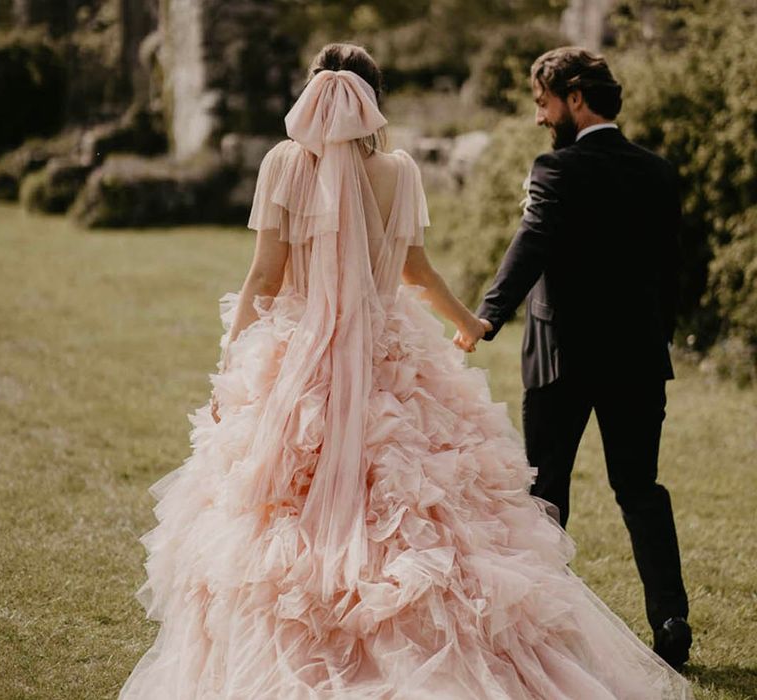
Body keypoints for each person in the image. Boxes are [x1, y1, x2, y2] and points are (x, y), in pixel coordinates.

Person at [119, 43, 692, 698]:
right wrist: (469, 321)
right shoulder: (399, 169)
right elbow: (416, 271)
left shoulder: (283, 163)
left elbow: (264, 276)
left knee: (286, 506)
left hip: (300, 357)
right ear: (374, 99)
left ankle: (301, 632)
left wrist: (232, 359)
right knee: (417, 498)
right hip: (392, 355)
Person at [464, 46, 692, 669]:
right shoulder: (658, 172)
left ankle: (545, 634)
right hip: (640, 358)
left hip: (561, 357)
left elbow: (531, 242)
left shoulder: (556, 170)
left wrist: (487, 314)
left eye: (542, 103)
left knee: (545, 495)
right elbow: (672, 272)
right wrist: (657, 335)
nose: (540, 118)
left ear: (574, 98)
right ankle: (672, 618)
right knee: (640, 488)